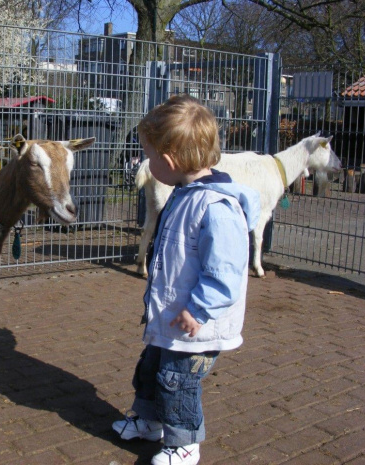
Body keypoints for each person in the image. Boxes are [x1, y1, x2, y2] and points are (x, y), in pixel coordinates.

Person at [112, 95, 260, 465]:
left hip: (196, 323)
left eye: (149, 155)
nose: (147, 162)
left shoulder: (216, 208)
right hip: (171, 316)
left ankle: (184, 443)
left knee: (178, 382)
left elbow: (224, 274)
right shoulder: (184, 194)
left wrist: (198, 309)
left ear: (171, 159)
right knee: (151, 370)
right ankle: (149, 422)